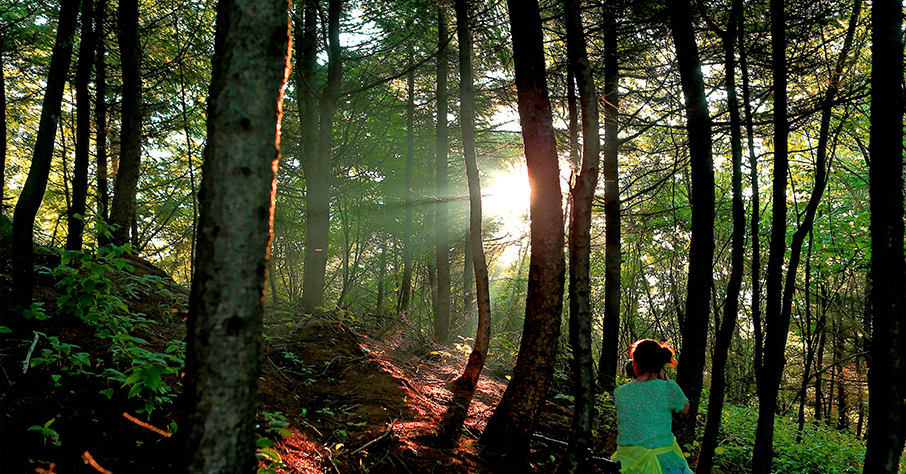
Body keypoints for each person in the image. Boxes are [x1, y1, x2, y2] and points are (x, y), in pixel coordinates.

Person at [611, 339, 692, 474]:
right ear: (659, 364)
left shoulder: (620, 392)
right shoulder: (668, 388)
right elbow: (685, 409)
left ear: (634, 364)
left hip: (628, 463)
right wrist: (664, 379)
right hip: (664, 461)